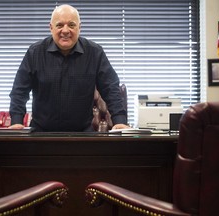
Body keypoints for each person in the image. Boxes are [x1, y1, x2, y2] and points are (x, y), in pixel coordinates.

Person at [9, 4, 129, 132]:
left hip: (82, 134)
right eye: (59, 25)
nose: (65, 30)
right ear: (51, 28)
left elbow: (111, 89)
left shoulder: (95, 53)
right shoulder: (35, 53)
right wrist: (17, 121)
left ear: (79, 27)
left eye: (71, 25)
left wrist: (120, 121)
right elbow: (19, 91)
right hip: (41, 133)